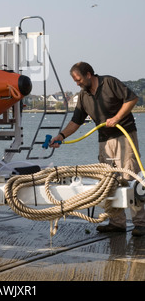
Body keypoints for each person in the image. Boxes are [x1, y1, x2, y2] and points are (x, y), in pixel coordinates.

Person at [50, 61, 145, 237]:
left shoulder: (109, 83)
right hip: (104, 140)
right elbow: (75, 122)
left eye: (78, 79)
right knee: (110, 181)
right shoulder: (83, 96)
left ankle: (141, 223)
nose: (77, 83)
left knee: (130, 178)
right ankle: (117, 223)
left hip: (125, 136)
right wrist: (61, 136)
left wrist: (116, 118)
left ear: (88, 74)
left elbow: (132, 99)